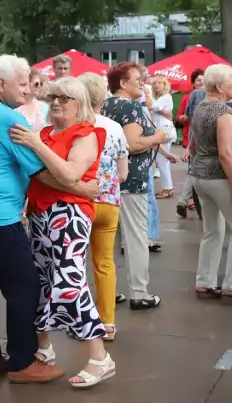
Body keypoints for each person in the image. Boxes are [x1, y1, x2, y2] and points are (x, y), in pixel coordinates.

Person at [0, 54, 99, 383]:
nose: (29, 90)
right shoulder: (9, 120)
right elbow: (42, 173)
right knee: (24, 287)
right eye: (23, 83)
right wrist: (82, 188)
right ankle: (22, 362)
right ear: (1, 84)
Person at [10, 76, 115, 388]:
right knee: (39, 282)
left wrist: (37, 146)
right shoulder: (42, 133)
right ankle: (44, 348)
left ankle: (100, 357)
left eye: (65, 98)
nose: (56, 102)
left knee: (70, 283)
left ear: (79, 103)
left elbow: (70, 174)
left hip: (68, 215)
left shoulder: (85, 133)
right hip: (41, 215)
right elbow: (42, 174)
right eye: (53, 96)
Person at [190, 64, 232, 303]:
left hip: (200, 177)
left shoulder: (200, 107)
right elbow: (225, 154)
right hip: (220, 178)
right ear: (219, 86)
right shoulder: (223, 112)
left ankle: (205, 281)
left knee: (213, 231)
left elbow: (194, 145)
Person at [103, 62, 167, 310]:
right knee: (136, 238)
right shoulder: (130, 106)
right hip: (130, 181)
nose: (143, 83)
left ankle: (110, 289)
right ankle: (139, 292)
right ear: (122, 83)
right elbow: (131, 144)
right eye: (138, 79)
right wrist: (158, 137)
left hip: (109, 182)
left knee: (108, 240)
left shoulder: (106, 105)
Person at [79, 72, 128, 341]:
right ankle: (107, 322)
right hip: (109, 202)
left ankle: (82, 321)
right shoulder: (115, 127)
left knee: (76, 264)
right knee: (104, 263)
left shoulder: (76, 126)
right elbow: (122, 174)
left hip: (80, 202)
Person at [151, 77, 176, 198]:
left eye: (159, 83)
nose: (156, 85)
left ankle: (167, 188)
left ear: (165, 85)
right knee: (162, 160)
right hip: (162, 129)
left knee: (163, 161)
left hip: (163, 130)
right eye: (155, 83)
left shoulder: (166, 97)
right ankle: (167, 188)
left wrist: (147, 95)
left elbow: (154, 107)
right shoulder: (162, 98)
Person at [16, 69, 49, 133]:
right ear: (26, 84)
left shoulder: (45, 107)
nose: (39, 87)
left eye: (41, 84)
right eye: (36, 84)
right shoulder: (13, 106)